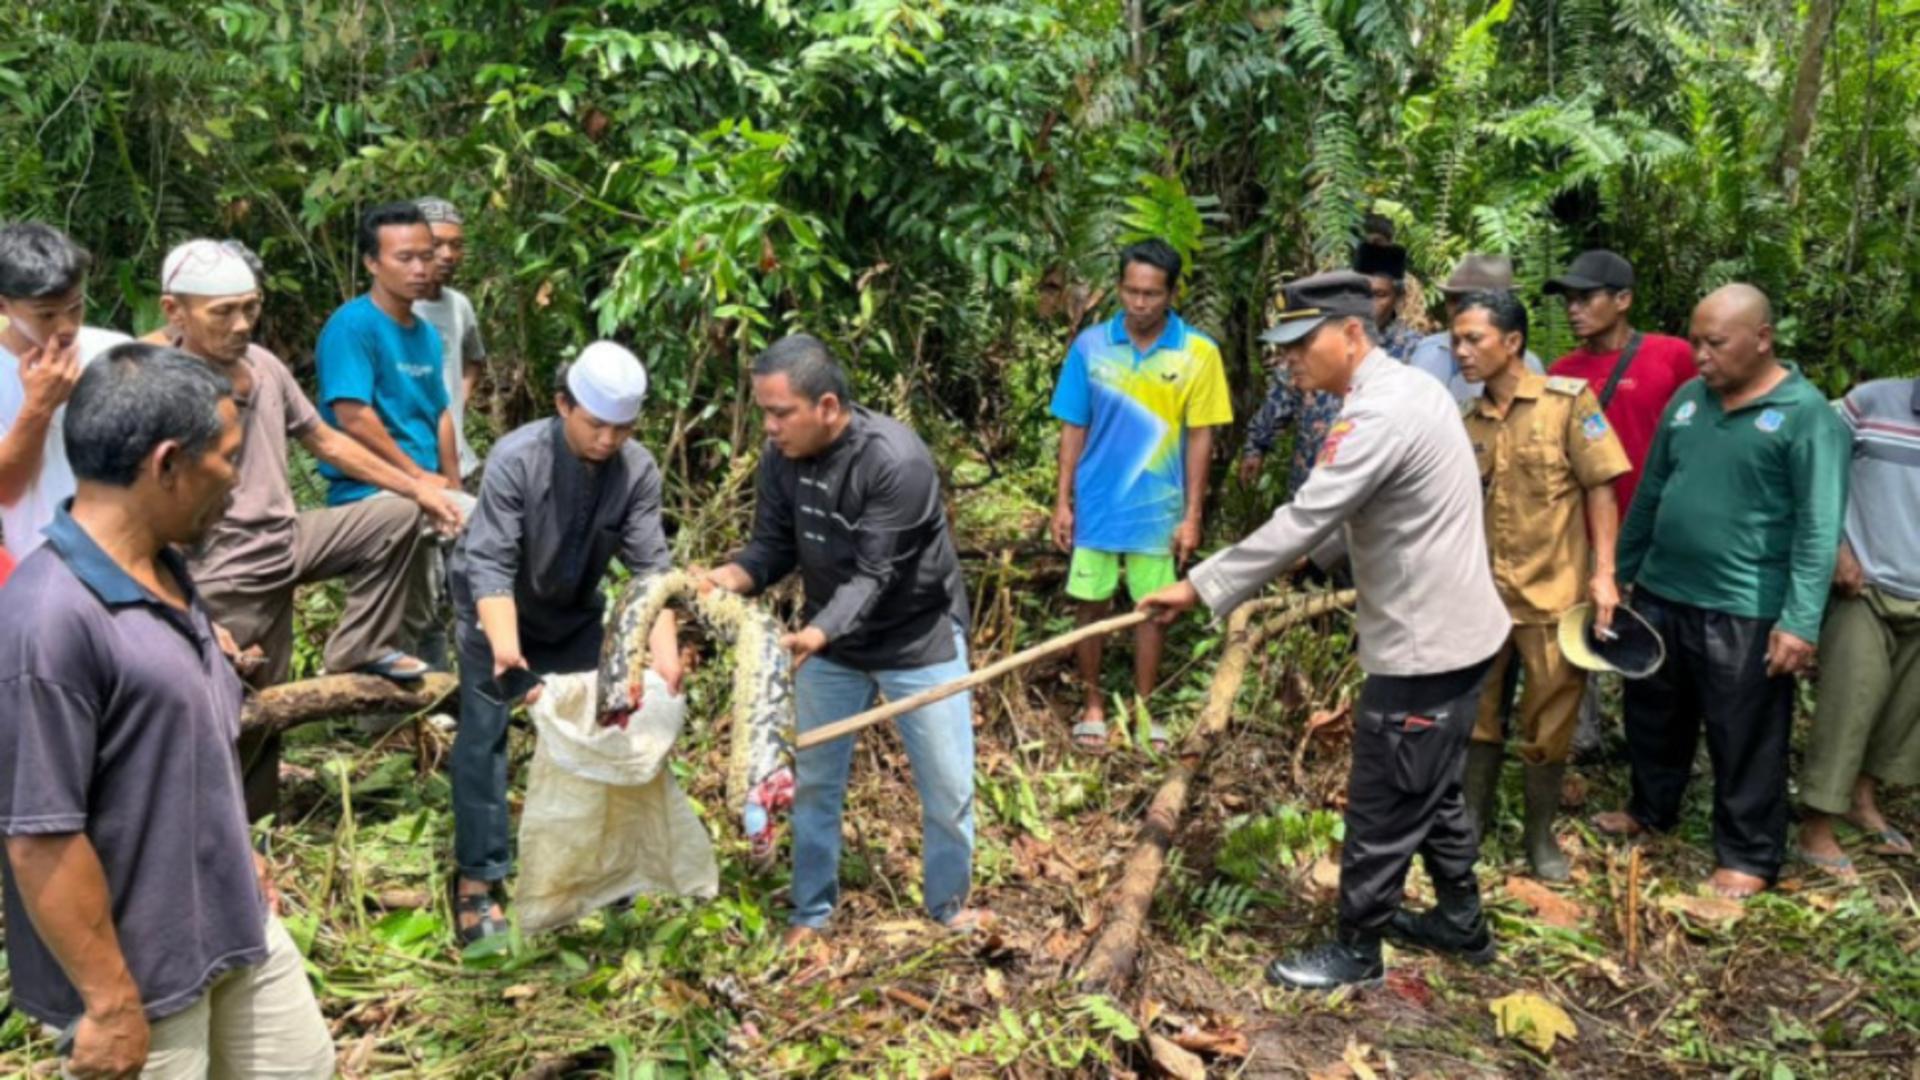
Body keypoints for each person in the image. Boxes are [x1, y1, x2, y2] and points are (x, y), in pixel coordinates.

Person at [1139, 271, 1511, 990]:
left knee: (1385, 792)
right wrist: (1314, 562)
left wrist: (1200, 586)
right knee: (1429, 785)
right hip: (1458, 633)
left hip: (1425, 644)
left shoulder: (1378, 412)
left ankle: (1357, 947)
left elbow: (1307, 515)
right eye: (1282, 350)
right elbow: (1376, 507)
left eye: (1301, 345)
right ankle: (1461, 922)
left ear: (1350, 334)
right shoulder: (1407, 391)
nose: (1290, 363)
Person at [0, 344, 332, 1078]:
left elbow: (178, 749)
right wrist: (111, 1003)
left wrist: (236, 852)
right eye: (228, 458)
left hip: (232, 921)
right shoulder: (51, 620)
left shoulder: (167, 572)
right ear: (168, 463)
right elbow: (40, 839)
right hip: (140, 972)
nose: (238, 480)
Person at [155, 239, 465, 817]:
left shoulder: (266, 366)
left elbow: (325, 440)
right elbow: (148, 506)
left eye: (250, 307)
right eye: (222, 312)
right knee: (248, 707)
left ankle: (361, 645)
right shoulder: (163, 385)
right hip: (222, 565)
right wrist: (186, 603)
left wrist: (418, 486)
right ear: (175, 311)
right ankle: (236, 834)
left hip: (288, 537)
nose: (242, 323)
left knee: (397, 515)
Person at [704, 334, 986, 946]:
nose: (771, 427)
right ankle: (810, 913)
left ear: (827, 406)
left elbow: (876, 574)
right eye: (764, 413)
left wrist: (816, 631)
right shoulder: (780, 458)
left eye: (781, 413)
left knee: (947, 787)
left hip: (918, 640)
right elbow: (772, 548)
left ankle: (950, 906)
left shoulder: (896, 461)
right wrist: (726, 580)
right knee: (814, 785)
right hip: (830, 645)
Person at [1595, 284, 1849, 899]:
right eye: (1695, 341)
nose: (1701, 356)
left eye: (1716, 343)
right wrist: (1622, 571)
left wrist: (1800, 622)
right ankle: (1651, 810)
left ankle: (1748, 855)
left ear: (1762, 339)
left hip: (1744, 605)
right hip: (1661, 591)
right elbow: (1652, 490)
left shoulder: (1806, 416)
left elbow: (1820, 526)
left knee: (1746, 735)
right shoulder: (1688, 400)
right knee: (1654, 713)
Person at [447, 341, 681, 943]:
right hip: (495, 609)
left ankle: (600, 867)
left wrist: (666, 656)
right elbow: (490, 564)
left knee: (606, 726)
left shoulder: (637, 470)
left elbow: (651, 571)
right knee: (484, 736)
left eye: (622, 428)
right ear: (562, 406)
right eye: (596, 425)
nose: (608, 440)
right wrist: (505, 651)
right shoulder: (516, 458)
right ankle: (478, 878)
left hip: (575, 612)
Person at [1453, 291, 1630, 881]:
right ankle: (1471, 828)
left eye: (1474, 339)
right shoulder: (1468, 420)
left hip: (1553, 596)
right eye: (1456, 340)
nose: (1461, 351)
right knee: (1478, 715)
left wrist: (1604, 574)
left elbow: (1601, 486)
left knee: (1550, 720)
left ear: (1513, 342)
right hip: (1481, 600)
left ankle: (1538, 837)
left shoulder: (1567, 404)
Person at [1051, 239, 1232, 753]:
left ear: (1172, 293)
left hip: (1158, 507)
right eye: (1131, 291)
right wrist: (1062, 501)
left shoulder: (1199, 353)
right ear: (1119, 288)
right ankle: (1092, 705)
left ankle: (1143, 707)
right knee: (1090, 604)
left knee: (1152, 609)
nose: (1139, 303)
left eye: (1152, 294)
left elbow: (1201, 437)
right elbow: (1073, 426)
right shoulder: (1090, 346)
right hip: (1098, 503)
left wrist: (1193, 513)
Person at [1793, 375, 1920, 875]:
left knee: (1903, 712)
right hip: (1863, 585)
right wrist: (1836, 546)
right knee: (1850, 701)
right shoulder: (1870, 403)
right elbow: (1813, 466)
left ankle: (1860, 799)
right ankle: (1816, 825)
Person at [1238, 242, 1420, 494]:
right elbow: (1282, 395)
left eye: (1379, 295)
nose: (1369, 305)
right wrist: (1255, 446)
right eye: (1363, 295)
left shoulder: (1413, 351)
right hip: (1311, 480)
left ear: (1399, 298)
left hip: (1370, 489)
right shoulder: (1320, 339)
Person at [0, 223, 129, 563]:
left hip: (130, 556)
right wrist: (39, 407)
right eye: (46, 315)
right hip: (43, 565)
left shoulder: (114, 353)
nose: (67, 327)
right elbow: (5, 490)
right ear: (3, 307)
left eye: (75, 307)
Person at [316, 201, 459, 504]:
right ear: (372, 263)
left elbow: (440, 414)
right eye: (404, 258)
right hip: (369, 492)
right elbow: (352, 416)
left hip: (427, 489)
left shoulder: (427, 334)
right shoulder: (352, 326)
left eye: (426, 256)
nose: (419, 269)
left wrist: (454, 485)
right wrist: (415, 476)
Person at [1543, 250, 1698, 515]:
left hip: (1660, 520)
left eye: (1585, 298)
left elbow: (1702, 434)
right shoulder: (1560, 372)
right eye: (1568, 301)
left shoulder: (1673, 355)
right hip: (1589, 525)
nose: (1572, 309)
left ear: (1623, 299)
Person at [414, 197, 489, 482]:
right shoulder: (393, 310)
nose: (448, 254)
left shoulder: (460, 305)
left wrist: (459, 399)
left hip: (458, 462)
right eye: (436, 244)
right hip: (411, 468)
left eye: (456, 245)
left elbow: (475, 358)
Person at [1404, 254, 1542, 403]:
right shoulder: (1430, 352)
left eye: (1472, 300)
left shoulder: (1529, 363)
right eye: (1452, 299)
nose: (1459, 309)